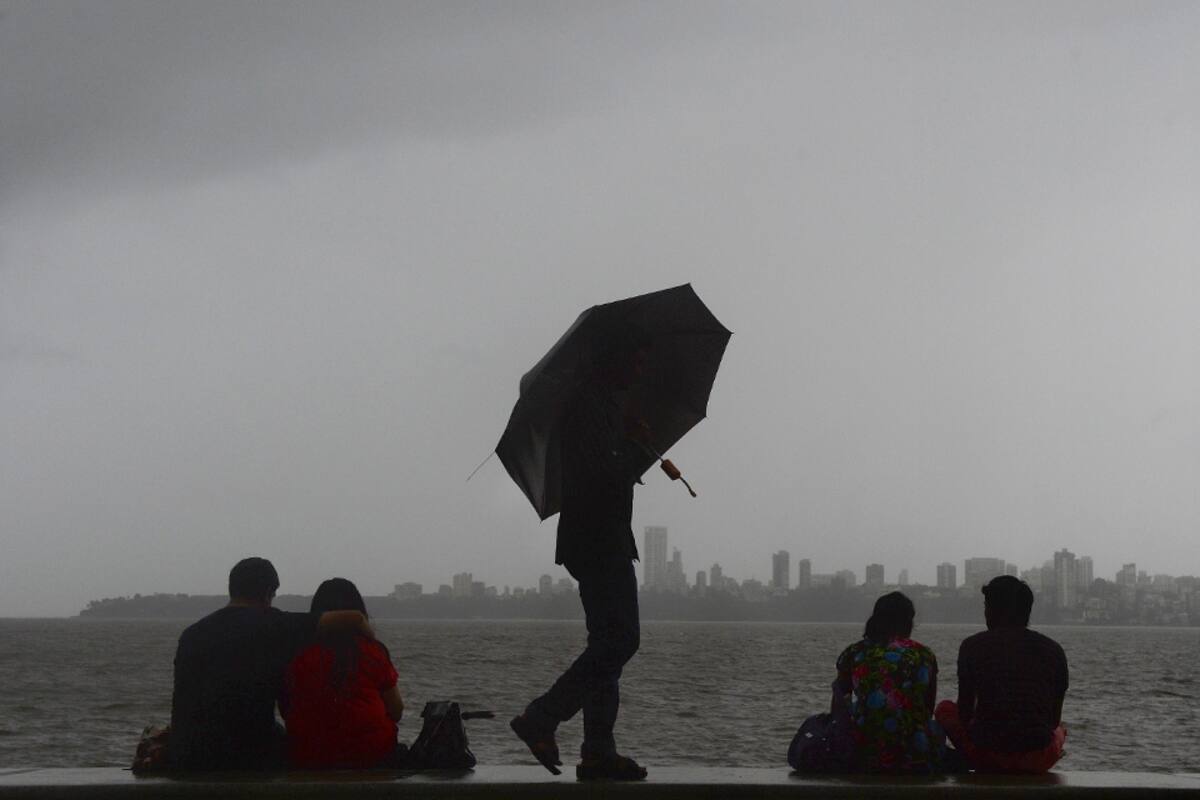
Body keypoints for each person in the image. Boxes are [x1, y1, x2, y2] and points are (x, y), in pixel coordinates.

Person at [510, 337, 650, 781]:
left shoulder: (600, 405)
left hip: (595, 538)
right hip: (598, 539)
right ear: (617, 359)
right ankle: (544, 715)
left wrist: (629, 443)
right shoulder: (589, 407)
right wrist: (638, 447)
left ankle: (597, 752)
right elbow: (605, 474)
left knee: (606, 643)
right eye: (636, 358)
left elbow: (608, 468)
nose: (640, 370)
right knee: (620, 640)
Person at [169, 557, 372, 770]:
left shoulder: (192, 634)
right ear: (268, 592)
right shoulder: (275, 624)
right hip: (245, 755)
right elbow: (355, 619)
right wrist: (375, 650)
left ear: (232, 588)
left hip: (186, 754)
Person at [936, 575, 1068, 773]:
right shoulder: (1054, 650)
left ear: (993, 610)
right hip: (1038, 758)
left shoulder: (972, 646)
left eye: (986, 607)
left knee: (944, 709)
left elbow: (964, 714)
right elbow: (1053, 721)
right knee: (1059, 731)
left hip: (986, 754)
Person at [281, 578, 405, 769]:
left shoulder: (298, 653)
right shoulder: (372, 652)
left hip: (308, 754)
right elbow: (396, 711)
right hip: (373, 754)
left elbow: (286, 709)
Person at [834, 592, 943, 773]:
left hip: (861, 754)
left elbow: (839, 703)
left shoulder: (854, 652)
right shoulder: (923, 655)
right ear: (908, 622)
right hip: (915, 756)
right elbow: (927, 708)